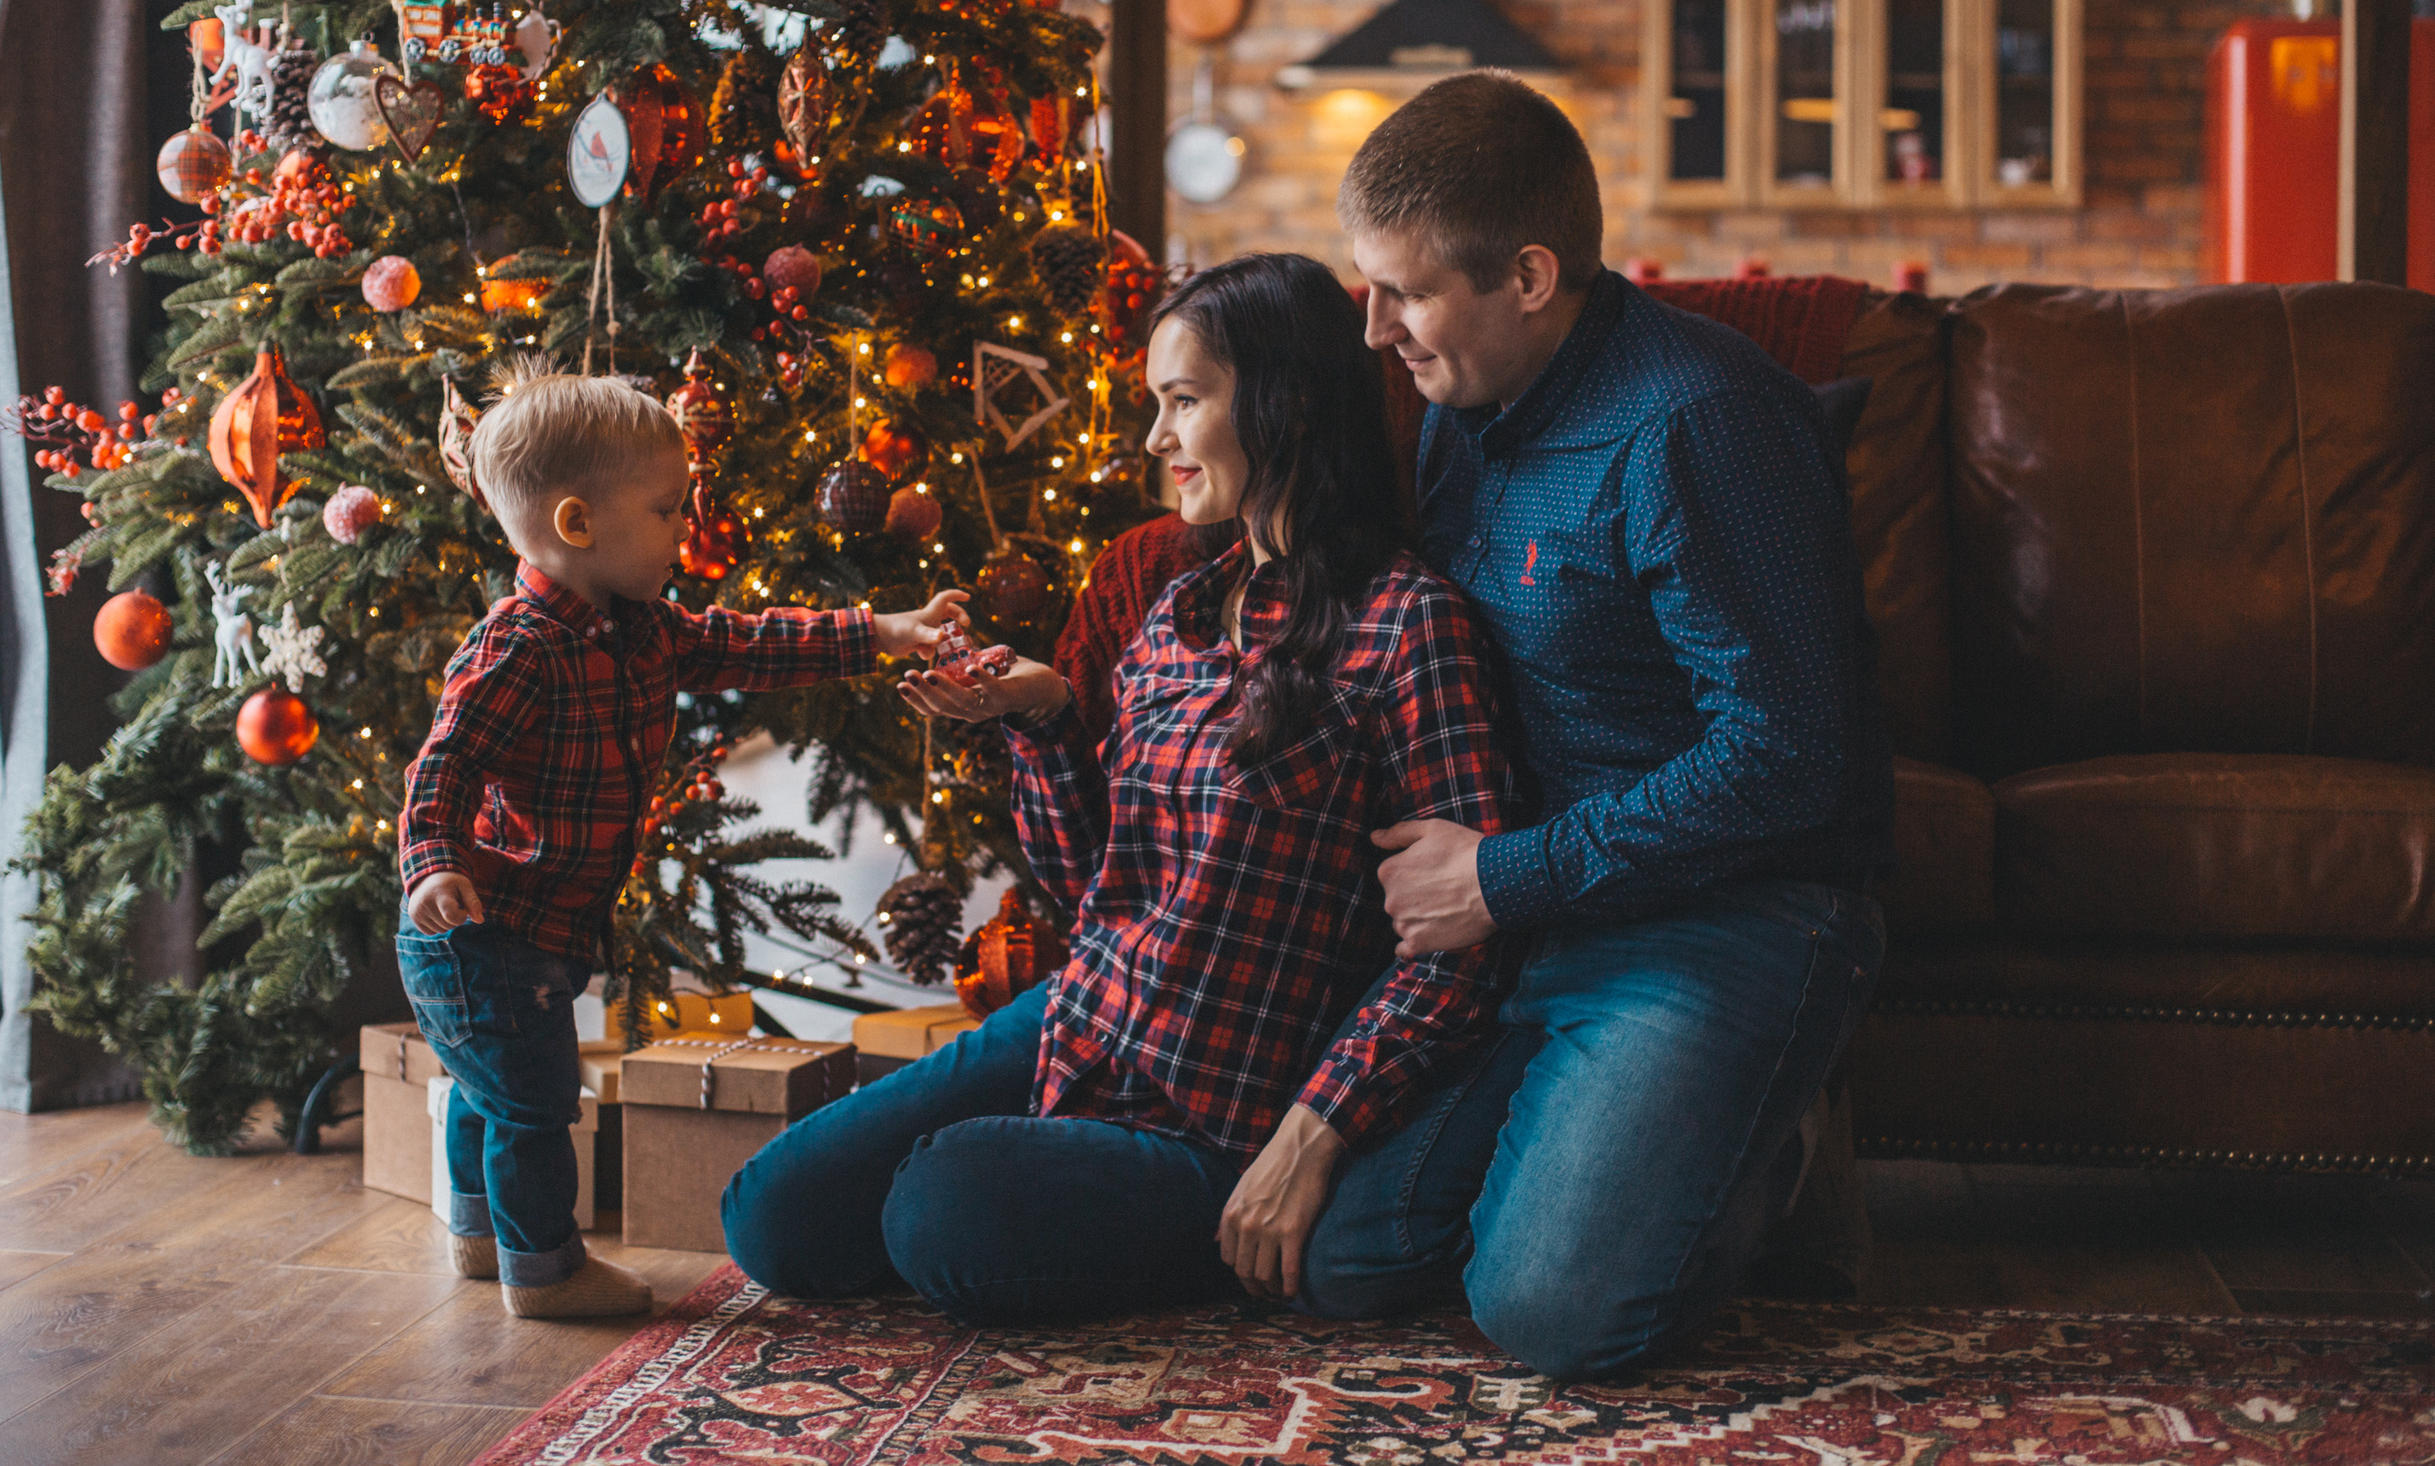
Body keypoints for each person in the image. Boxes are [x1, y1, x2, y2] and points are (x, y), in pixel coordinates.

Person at [719, 253, 1529, 1322]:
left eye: (1183, 401)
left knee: (943, 1208)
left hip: (1222, 1111)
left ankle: (1184, 1230)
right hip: (1084, 1021)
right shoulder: (1178, 613)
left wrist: (1314, 1134)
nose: (1155, 438)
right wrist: (1045, 721)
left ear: (1285, 405)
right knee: (771, 1217)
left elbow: (1461, 949)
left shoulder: (1411, 626)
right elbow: (1096, 887)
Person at [1297, 70, 1894, 1378]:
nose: (1374, 328)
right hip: (1537, 918)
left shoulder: (1700, 422)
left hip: (1735, 907)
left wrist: (1500, 878)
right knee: (1341, 1255)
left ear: (1527, 275)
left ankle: (1772, 1136)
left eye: (1402, 292)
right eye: (1366, 286)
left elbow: (1788, 757)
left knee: (1555, 1313)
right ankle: (1642, 1134)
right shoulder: (1464, 411)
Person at [396, 357, 964, 1319]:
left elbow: (756, 642)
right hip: (480, 930)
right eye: (666, 510)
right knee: (531, 1101)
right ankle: (543, 1270)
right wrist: (432, 864)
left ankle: (477, 1235)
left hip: (537, 926)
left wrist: (883, 631)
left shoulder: (645, 628)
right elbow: (439, 767)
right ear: (578, 523)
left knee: (485, 1083)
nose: (687, 526)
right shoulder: (517, 647)